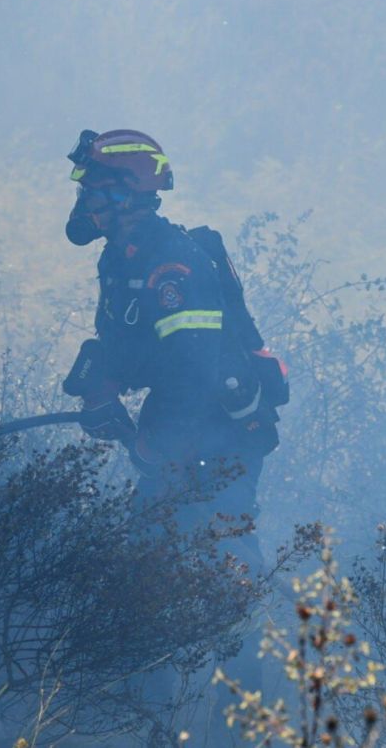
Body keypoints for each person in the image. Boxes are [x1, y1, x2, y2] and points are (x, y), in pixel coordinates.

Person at [60, 128, 287, 525]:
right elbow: (135, 343)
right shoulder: (119, 258)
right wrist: (104, 385)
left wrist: (160, 442)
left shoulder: (173, 266)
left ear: (124, 196)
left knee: (224, 552)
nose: (84, 205)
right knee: (148, 555)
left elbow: (195, 368)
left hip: (220, 433)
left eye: (92, 191)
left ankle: (249, 585)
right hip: (180, 425)